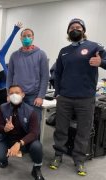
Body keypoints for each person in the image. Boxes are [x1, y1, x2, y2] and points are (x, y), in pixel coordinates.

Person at [50, 18, 106, 176]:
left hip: (85, 98)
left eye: (78, 27)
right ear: (68, 32)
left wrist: (101, 62)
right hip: (65, 98)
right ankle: (58, 156)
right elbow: (58, 73)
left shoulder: (94, 47)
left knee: (83, 130)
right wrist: (58, 93)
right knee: (61, 129)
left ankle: (79, 160)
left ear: (83, 30)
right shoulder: (64, 51)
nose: (75, 29)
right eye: (72, 27)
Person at [0, 85, 45, 180]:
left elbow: (34, 133)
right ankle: (5, 159)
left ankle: (37, 168)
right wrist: (5, 128)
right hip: (7, 139)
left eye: (17, 93)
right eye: (11, 93)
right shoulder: (2, 108)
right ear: (8, 95)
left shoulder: (31, 111)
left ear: (23, 95)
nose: (14, 95)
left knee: (37, 146)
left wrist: (19, 144)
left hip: (24, 141)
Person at [7, 28, 49, 126]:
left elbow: (45, 77)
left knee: (34, 123)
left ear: (33, 37)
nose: (26, 38)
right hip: (16, 95)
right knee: (17, 122)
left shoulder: (41, 54)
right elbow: (9, 76)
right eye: (24, 36)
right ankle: (19, 141)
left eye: (29, 36)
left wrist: (40, 96)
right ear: (20, 38)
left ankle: (34, 141)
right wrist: (8, 93)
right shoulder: (14, 56)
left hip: (33, 96)